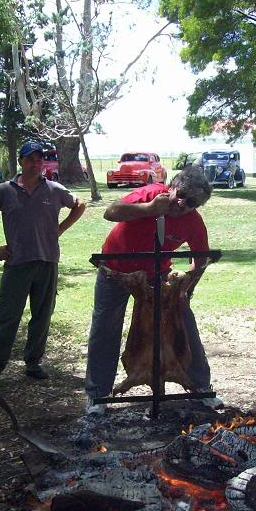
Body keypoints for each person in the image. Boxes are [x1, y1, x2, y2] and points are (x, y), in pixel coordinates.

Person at [83, 166, 217, 415]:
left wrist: (186, 289)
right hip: (115, 271)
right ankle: (97, 395)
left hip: (157, 275)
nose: (182, 204)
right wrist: (149, 210)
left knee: (185, 324)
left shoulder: (193, 221)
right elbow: (110, 213)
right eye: (180, 195)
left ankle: (201, 388)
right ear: (172, 187)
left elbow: (200, 260)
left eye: (191, 203)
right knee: (105, 328)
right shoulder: (150, 195)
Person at [0, 142, 85, 383]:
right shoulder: (4, 190)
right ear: (21, 162)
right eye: (30, 159)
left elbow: (80, 205)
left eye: (39, 160)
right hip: (17, 263)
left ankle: (33, 362)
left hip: (47, 261)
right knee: (7, 316)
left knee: (42, 315)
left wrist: (60, 229)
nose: (35, 164)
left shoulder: (54, 189)